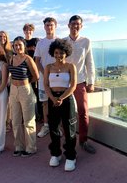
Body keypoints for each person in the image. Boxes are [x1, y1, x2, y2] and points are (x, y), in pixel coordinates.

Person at [44, 38, 77, 172]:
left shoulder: (70, 66)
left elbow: (73, 85)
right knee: (53, 128)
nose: (59, 55)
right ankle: (56, 154)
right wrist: (53, 98)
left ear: (66, 53)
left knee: (69, 128)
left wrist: (61, 98)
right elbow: (46, 84)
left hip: (67, 99)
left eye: (62, 52)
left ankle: (70, 156)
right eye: (56, 52)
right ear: (53, 53)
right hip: (52, 99)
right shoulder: (48, 67)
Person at [64, 15, 96, 154]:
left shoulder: (86, 41)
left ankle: (83, 140)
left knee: (83, 112)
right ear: (68, 25)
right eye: (73, 24)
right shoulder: (63, 41)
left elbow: (89, 62)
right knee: (65, 112)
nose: (75, 26)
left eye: (77, 24)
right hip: (65, 81)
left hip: (80, 81)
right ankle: (68, 140)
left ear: (81, 26)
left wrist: (91, 82)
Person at [8, 36, 39, 157]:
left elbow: (36, 76)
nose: (17, 47)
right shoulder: (11, 59)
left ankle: (31, 147)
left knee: (28, 120)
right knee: (15, 120)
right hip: (13, 90)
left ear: (24, 46)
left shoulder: (28, 59)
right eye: (15, 45)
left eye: (20, 45)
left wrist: (25, 83)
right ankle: (19, 146)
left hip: (25, 90)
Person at [34, 17, 57, 137]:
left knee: (58, 102)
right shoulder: (40, 43)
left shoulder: (59, 42)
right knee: (45, 103)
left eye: (51, 25)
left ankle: (57, 127)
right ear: (44, 27)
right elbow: (37, 61)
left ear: (55, 26)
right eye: (47, 25)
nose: (49, 27)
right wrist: (45, 74)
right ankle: (46, 126)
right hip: (44, 78)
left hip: (58, 79)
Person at [0, 30, 13, 131]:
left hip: (9, 79)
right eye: (0, 36)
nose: (2, 38)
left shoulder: (10, 50)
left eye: (4, 36)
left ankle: (7, 123)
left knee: (7, 102)